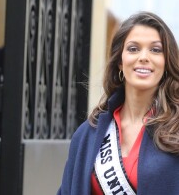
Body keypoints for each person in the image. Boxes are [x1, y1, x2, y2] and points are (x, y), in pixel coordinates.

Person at [57, 11, 179, 194]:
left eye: (155, 49)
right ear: (120, 62)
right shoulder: (87, 134)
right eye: (133, 48)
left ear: (166, 62)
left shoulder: (176, 129)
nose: (144, 57)